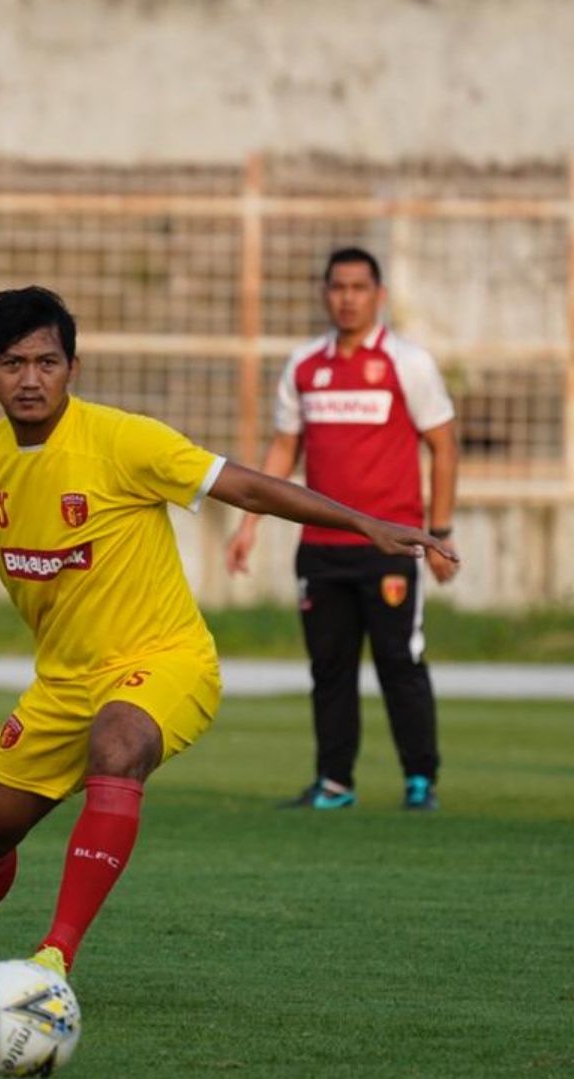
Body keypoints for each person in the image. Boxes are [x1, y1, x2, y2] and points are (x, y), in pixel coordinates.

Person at [0, 286, 452, 994]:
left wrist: (360, 521)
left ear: (73, 366)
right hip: (63, 681)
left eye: (46, 362)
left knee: (119, 740)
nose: (30, 380)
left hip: (165, 661)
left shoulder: (125, 441)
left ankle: (54, 954)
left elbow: (245, 485)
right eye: (13, 364)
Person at [223, 247, 460, 812]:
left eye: (358, 287)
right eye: (337, 287)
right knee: (329, 670)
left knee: (400, 663)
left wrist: (440, 535)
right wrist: (249, 523)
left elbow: (444, 445)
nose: (347, 298)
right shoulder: (305, 365)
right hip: (321, 549)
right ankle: (334, 782)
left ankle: (419, 780)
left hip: (391, 544)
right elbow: (284, 447)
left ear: (378, 295)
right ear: (325, 293)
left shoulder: (408, 362)